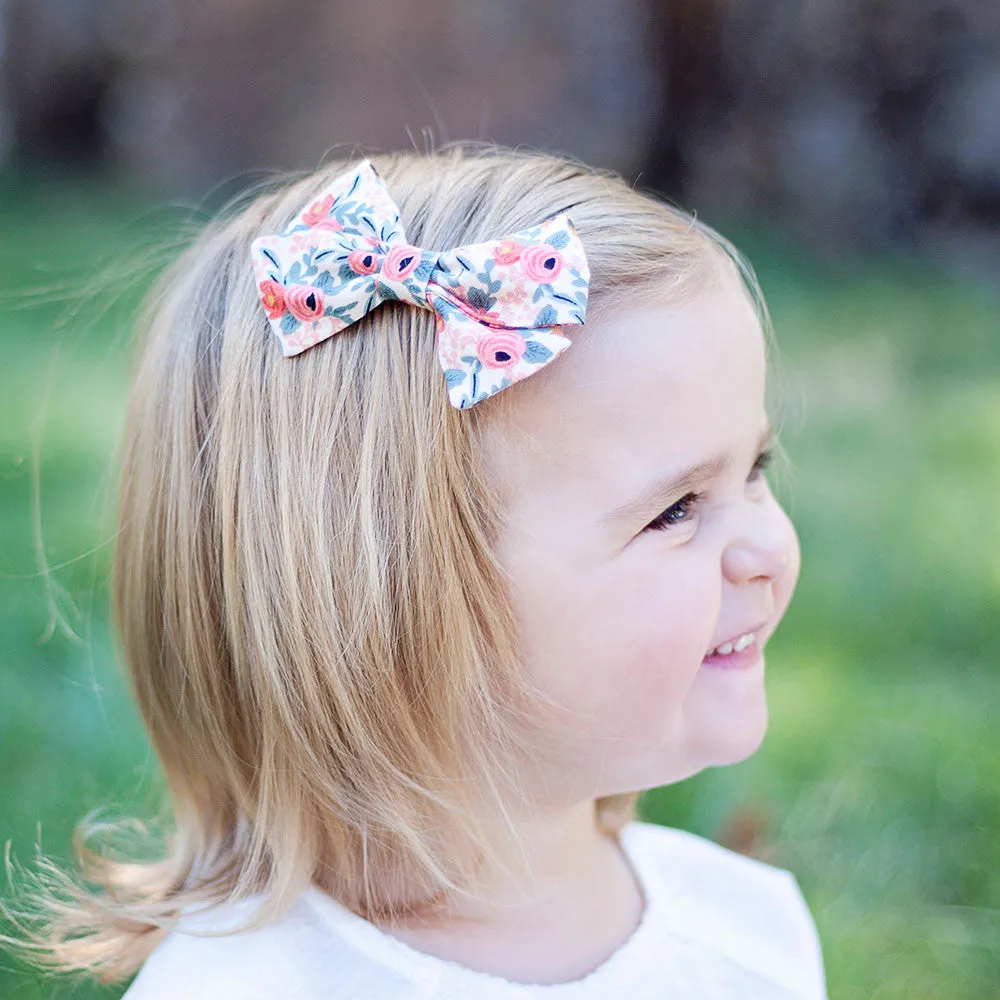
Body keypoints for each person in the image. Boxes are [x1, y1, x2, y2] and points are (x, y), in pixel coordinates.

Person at [4, 142, 826, 997]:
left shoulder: (749, 933)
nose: (769, 551)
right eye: (676, 510)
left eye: (756, 470)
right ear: (385, 601)